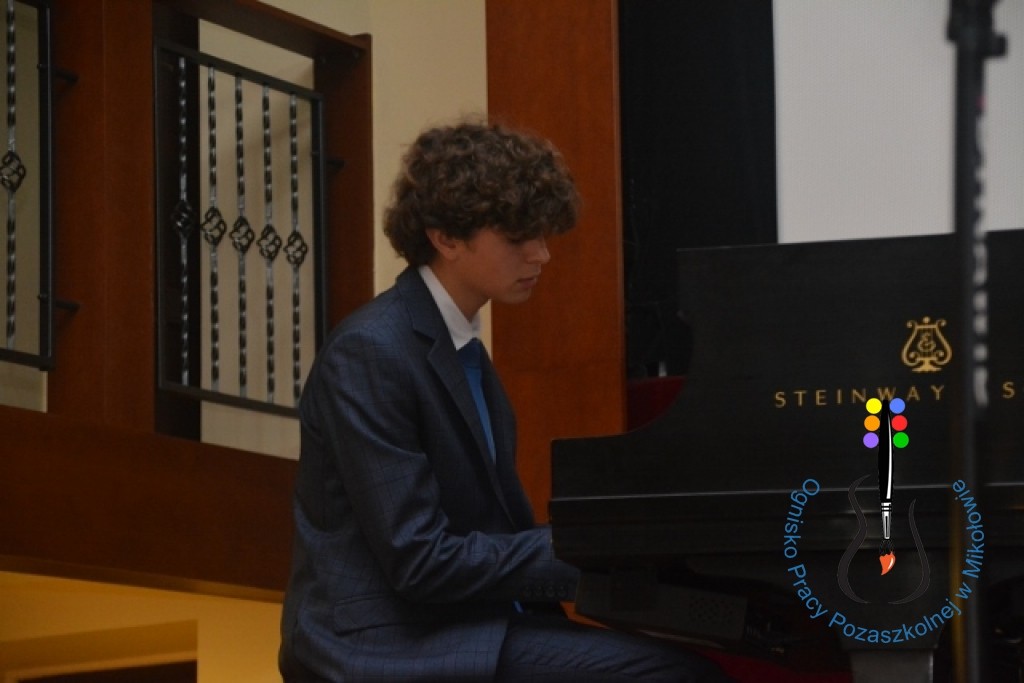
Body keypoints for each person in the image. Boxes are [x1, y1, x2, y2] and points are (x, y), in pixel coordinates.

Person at [278, 121, 731, 682]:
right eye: (519, 238)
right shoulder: (370, 350)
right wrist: (592, 547)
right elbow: (420, 561)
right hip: (384, 642)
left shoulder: (461, 349)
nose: (542, 254)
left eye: (542, 234)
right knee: (675, 677)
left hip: (460, 623)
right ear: (446, 238)